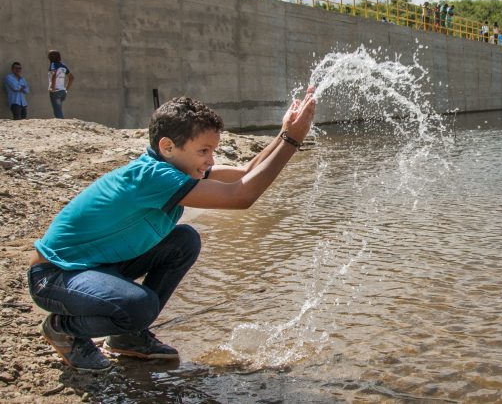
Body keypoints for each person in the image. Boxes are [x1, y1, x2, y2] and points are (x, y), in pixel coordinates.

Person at [28, 93, 317, 371]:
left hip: (94, 267)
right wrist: (293, 140)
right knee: (139, 306)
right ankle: (63, 329)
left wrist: (284, 133)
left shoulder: (174, 169)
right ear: (167, 146)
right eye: (203, 151)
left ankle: (128, 335)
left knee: (184, 240)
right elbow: (240, 197)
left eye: (213, 151)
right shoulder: (153, 176)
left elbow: (244, 173)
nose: (211, 160)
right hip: (55, 277)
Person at [47, 50, 73, 119]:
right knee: (59, 109)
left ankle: (63, 126)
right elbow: (72, 77)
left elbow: (54, 75)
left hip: (55, 91)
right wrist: (66, 89)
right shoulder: (63, 66)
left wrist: (52, 88)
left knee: (57, 112)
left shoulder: (53, 64)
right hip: (62, 91)